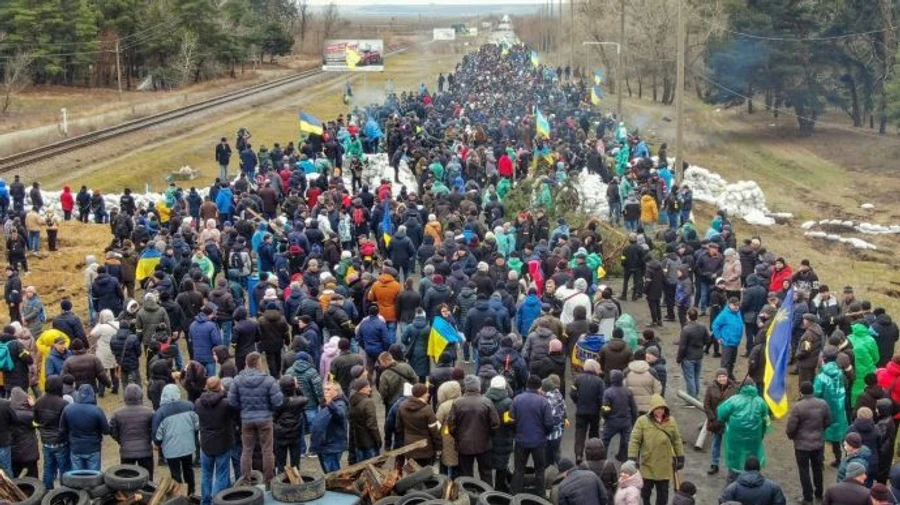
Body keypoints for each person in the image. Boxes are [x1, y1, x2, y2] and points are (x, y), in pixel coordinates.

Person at [228, 352, 283, 481]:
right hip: (265, 419)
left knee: (246, 450)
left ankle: (246, 479)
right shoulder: (268, 380)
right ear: (259, 363)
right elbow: (278, 401)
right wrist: (269, 409)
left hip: (246, 419)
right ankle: (269, 480)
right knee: (267, 450)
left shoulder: (237, 380)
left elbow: (232, 401)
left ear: (246, 363)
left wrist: (243, 409)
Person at [627, 394, 684, 505]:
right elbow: (634, 440)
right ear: (652, 409)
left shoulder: (671, 421)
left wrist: (680, 457)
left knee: (663, 494)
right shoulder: (642, 421)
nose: (659, 411)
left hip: (665, 464)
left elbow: (677, 439)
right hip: (648, 462)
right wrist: (632, 457)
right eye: (657, 409)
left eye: (662, 408)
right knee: (645, 492)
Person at [786, 381, 832, 505]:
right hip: (818, 443)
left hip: (801, 445)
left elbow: (791, 427)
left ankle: (807, 498)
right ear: (813, 391)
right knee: (818, 469)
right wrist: (820, 430)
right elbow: (828, 421)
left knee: (804, 470)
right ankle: (819, 494)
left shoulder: (798, 406)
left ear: (801, 392)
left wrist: (792, 436)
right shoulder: (823, 404)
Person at [448, 375, 500, 482]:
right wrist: (488, 436)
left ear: (465, 387)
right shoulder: (487, 402)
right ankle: (488, 495)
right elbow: (495, 424)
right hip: (484, 444)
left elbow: (451, 425)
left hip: (464, 444)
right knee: (486, 473)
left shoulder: (457, 402)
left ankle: (469, 495)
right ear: (478, 387)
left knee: (466, 475)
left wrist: (458, 437)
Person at [717, 378, 770, 482]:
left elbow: (721, 413)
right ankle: (753, 482)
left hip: (735, 437)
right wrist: (761, 434)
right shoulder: (760, 402)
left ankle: (733, 483)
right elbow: (765, 421)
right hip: (754, 438)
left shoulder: (734, 400)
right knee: (752, 458)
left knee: (735, 459)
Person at [152, 384, 200, 496]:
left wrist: (157, 444)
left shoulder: (160, 413)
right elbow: (197, 425)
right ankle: (191, 491)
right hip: (187, 446)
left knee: (175, 472)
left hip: (171, 450)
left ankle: (179, 494)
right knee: (188, 469)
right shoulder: (189, 406)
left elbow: (157, 435)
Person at [510, 374, 554, 495]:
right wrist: (544, 434)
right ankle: (540, 496)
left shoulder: (517, 399)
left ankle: (514, 496)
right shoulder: (544, 402)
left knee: (519, 470)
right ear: (539, 387)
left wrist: (516, 433)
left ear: (527, 385)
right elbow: (549, 423)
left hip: (521, 441)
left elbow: (511, 419)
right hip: (538, 442)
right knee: (540, 471)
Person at [196, 377, 234, 505]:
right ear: (220, 387)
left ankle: (205, 501)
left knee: (206, 475)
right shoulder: (226, 404)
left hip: (206, 443)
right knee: (221, 475)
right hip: (223, 443)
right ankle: (216, 502)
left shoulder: (198, 403)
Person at [109, 384, 155, 480]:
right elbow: (154, 429)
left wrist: (121, 441)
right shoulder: (150, 412)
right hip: (145, 450)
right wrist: (149, 439)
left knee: (127, 479)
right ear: (141, 396)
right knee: (148, 479)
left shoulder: (117, 414)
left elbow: (113, 431)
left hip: (126, 451)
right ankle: (148, 494)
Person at [59, 384, 110, 470]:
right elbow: (106, 430)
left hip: (75, 448)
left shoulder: (68, 409)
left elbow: (62, 429)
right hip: (93, 448)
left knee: (77, 477)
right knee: (94, 477)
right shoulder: (97, 410)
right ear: (92, 395)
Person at [815, 348, 849, 468]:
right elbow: (846, 386)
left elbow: (816, 393)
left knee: (821, 435)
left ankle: (820, 460)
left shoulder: (821, 377)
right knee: (837, 435)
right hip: (839, 409)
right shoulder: (841, 374)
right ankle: (838, 458)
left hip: (823, 411)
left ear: (824, 359)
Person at [33, 375, 69, 489]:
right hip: (61, 442)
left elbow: (35, 422)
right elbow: (66, 424)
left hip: (46, 442)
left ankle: (47, 492)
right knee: (64, 470)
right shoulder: (63, 403)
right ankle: (65, 492)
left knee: (48, 469)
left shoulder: (38, 402)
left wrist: (43, 432)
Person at [399, 383, 442, 467]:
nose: (428, 394)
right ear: (422, 394)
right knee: (426, 474)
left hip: (409, 447)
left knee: (412, 474)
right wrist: (439, 447)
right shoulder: (427, 409)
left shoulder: (402, 406)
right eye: (426, 393)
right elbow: (434, 431)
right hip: (426, 449)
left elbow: (398, 427)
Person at [310, 381, 350, 472]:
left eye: (328, 389)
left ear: (337, 391)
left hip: (331, 446)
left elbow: (340, 414)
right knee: (327, 473)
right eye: (324, 389)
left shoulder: (340, 403)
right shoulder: (324, 403)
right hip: (323, 446)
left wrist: (330, 404)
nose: (325, 391)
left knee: (333, 475)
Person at [703, 368, 736, 475]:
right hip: (715, 421)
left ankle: (731, 466)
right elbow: (706, 405)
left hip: (729, 422)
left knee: (730, 445)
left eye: (724, 376)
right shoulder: (710, 388)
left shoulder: (734, 389)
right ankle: (714, 464)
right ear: (716, 378)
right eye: (720, 377)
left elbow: (736, 405)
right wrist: (712, 418)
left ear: (727, 377)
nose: (722, 378)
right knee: (715, 443)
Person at [572, 359, 605, 464]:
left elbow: (572, 393)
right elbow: (602, 398)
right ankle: (593, 455)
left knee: (580, 434)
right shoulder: (599, 381)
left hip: (581, 411)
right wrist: (601, 410)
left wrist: (577, 402)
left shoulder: (578, 379)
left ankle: (578, 454)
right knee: (594, 433)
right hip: (594, 412)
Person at [602, 369, 638, 463]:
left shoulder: (608, 392)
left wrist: (605, 418)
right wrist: (634, 420)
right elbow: (634, 408)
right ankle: (627, 462)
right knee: (627, 443)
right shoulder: (628, 391)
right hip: (626, 421)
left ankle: (602, 461)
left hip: (612, 422)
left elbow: (605, 408)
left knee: (605, 441)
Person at [718, 456, 787, 505]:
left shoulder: (733, 487)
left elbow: (723, 501)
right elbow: (780, 502)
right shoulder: (773, 487)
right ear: (759, 469)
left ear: (745, 469)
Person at [273, 375, 307, 471]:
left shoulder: (277, 401)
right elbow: (305, 398)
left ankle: (281, 481)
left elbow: (272, 418)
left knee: (281, 463)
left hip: (280, 435)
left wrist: (276, 428)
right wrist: (297, 387)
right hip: (295, 434)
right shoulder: (299, 401)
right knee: (295, 463)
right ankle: (295, 481)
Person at [676, 308, 708, 399]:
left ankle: (691, 398)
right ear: (697, 316)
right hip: (699, 355)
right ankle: (695, 396)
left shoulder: (686, 329)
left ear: (688, 317)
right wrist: (701, 345)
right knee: (696, 376)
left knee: (690, 378)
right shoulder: (702, 326)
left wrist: (679, 359)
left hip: (688, 357)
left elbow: (682, 346)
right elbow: (708, 339)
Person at [349, 378, 381, 462]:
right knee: (374, 468)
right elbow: (372, 425)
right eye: (368, 387)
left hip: (358, 443)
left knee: (361, 469)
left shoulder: (352, 401)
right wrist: (378, 440)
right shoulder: (368, 403)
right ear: (363, 389)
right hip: (369, 443)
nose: (370, 389)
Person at [712, 297, 743, 380]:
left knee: (732, 361)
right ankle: (722, 379)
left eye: (738, 305)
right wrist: (718, 337)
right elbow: (715, 325)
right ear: (729, 304)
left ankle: (729, 375)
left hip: (735, 342)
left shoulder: (738, 313)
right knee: (725, 363)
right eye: (734, 305)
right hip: (727, 342)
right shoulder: (724, 315)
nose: (737, 307)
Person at [10, 387, 38, 478]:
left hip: (13, 452)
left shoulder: (8, 412)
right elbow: (38, 422)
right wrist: (33, 406)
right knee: (33, 479)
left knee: (16, 478)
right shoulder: (28, 415)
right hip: (29, 452)